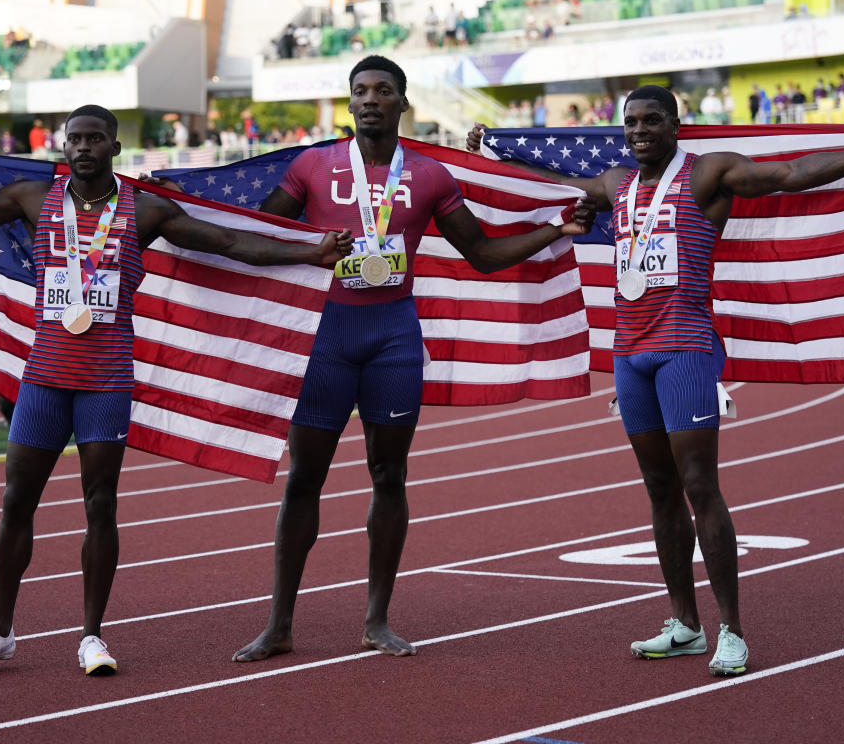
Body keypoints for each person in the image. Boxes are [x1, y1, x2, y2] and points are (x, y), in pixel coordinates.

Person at [0, 104, 353, 678]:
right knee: (15, 502)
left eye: (95, 139)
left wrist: (311, 252)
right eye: (74, 139)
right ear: (64, 146)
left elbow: (227, 242)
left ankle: (92, 637)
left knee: (100, 506)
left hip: (105, 380)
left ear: (114, 148)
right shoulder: (35, 198)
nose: (83, 148)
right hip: (45, 378)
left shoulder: (146, 210)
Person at [468, 84, 844, 677]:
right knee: (660, 491)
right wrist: (490, 156)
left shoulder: (708, 174)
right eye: (631, 122)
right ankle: (684, 623)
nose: (639, 130)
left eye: (652, 120)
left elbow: (788, 174)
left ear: (676, 126)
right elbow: (550, 187)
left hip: (685, 346)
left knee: (700, 486)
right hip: (629, 354)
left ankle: (731, 629)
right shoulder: (614, 185)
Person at [227, 56, 591, 663]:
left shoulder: (428, 175)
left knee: (389, 476)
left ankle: (377, 620)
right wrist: (306, 250)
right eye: (360, 91)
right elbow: (255, 232)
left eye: (383, 91)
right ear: (349, 105)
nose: (371, 99)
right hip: (326, 336)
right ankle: (279, 624)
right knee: (304, 478)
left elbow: (483, 254)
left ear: (402, 104)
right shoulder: (312, 166)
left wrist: (555, 230)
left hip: (393, 336)